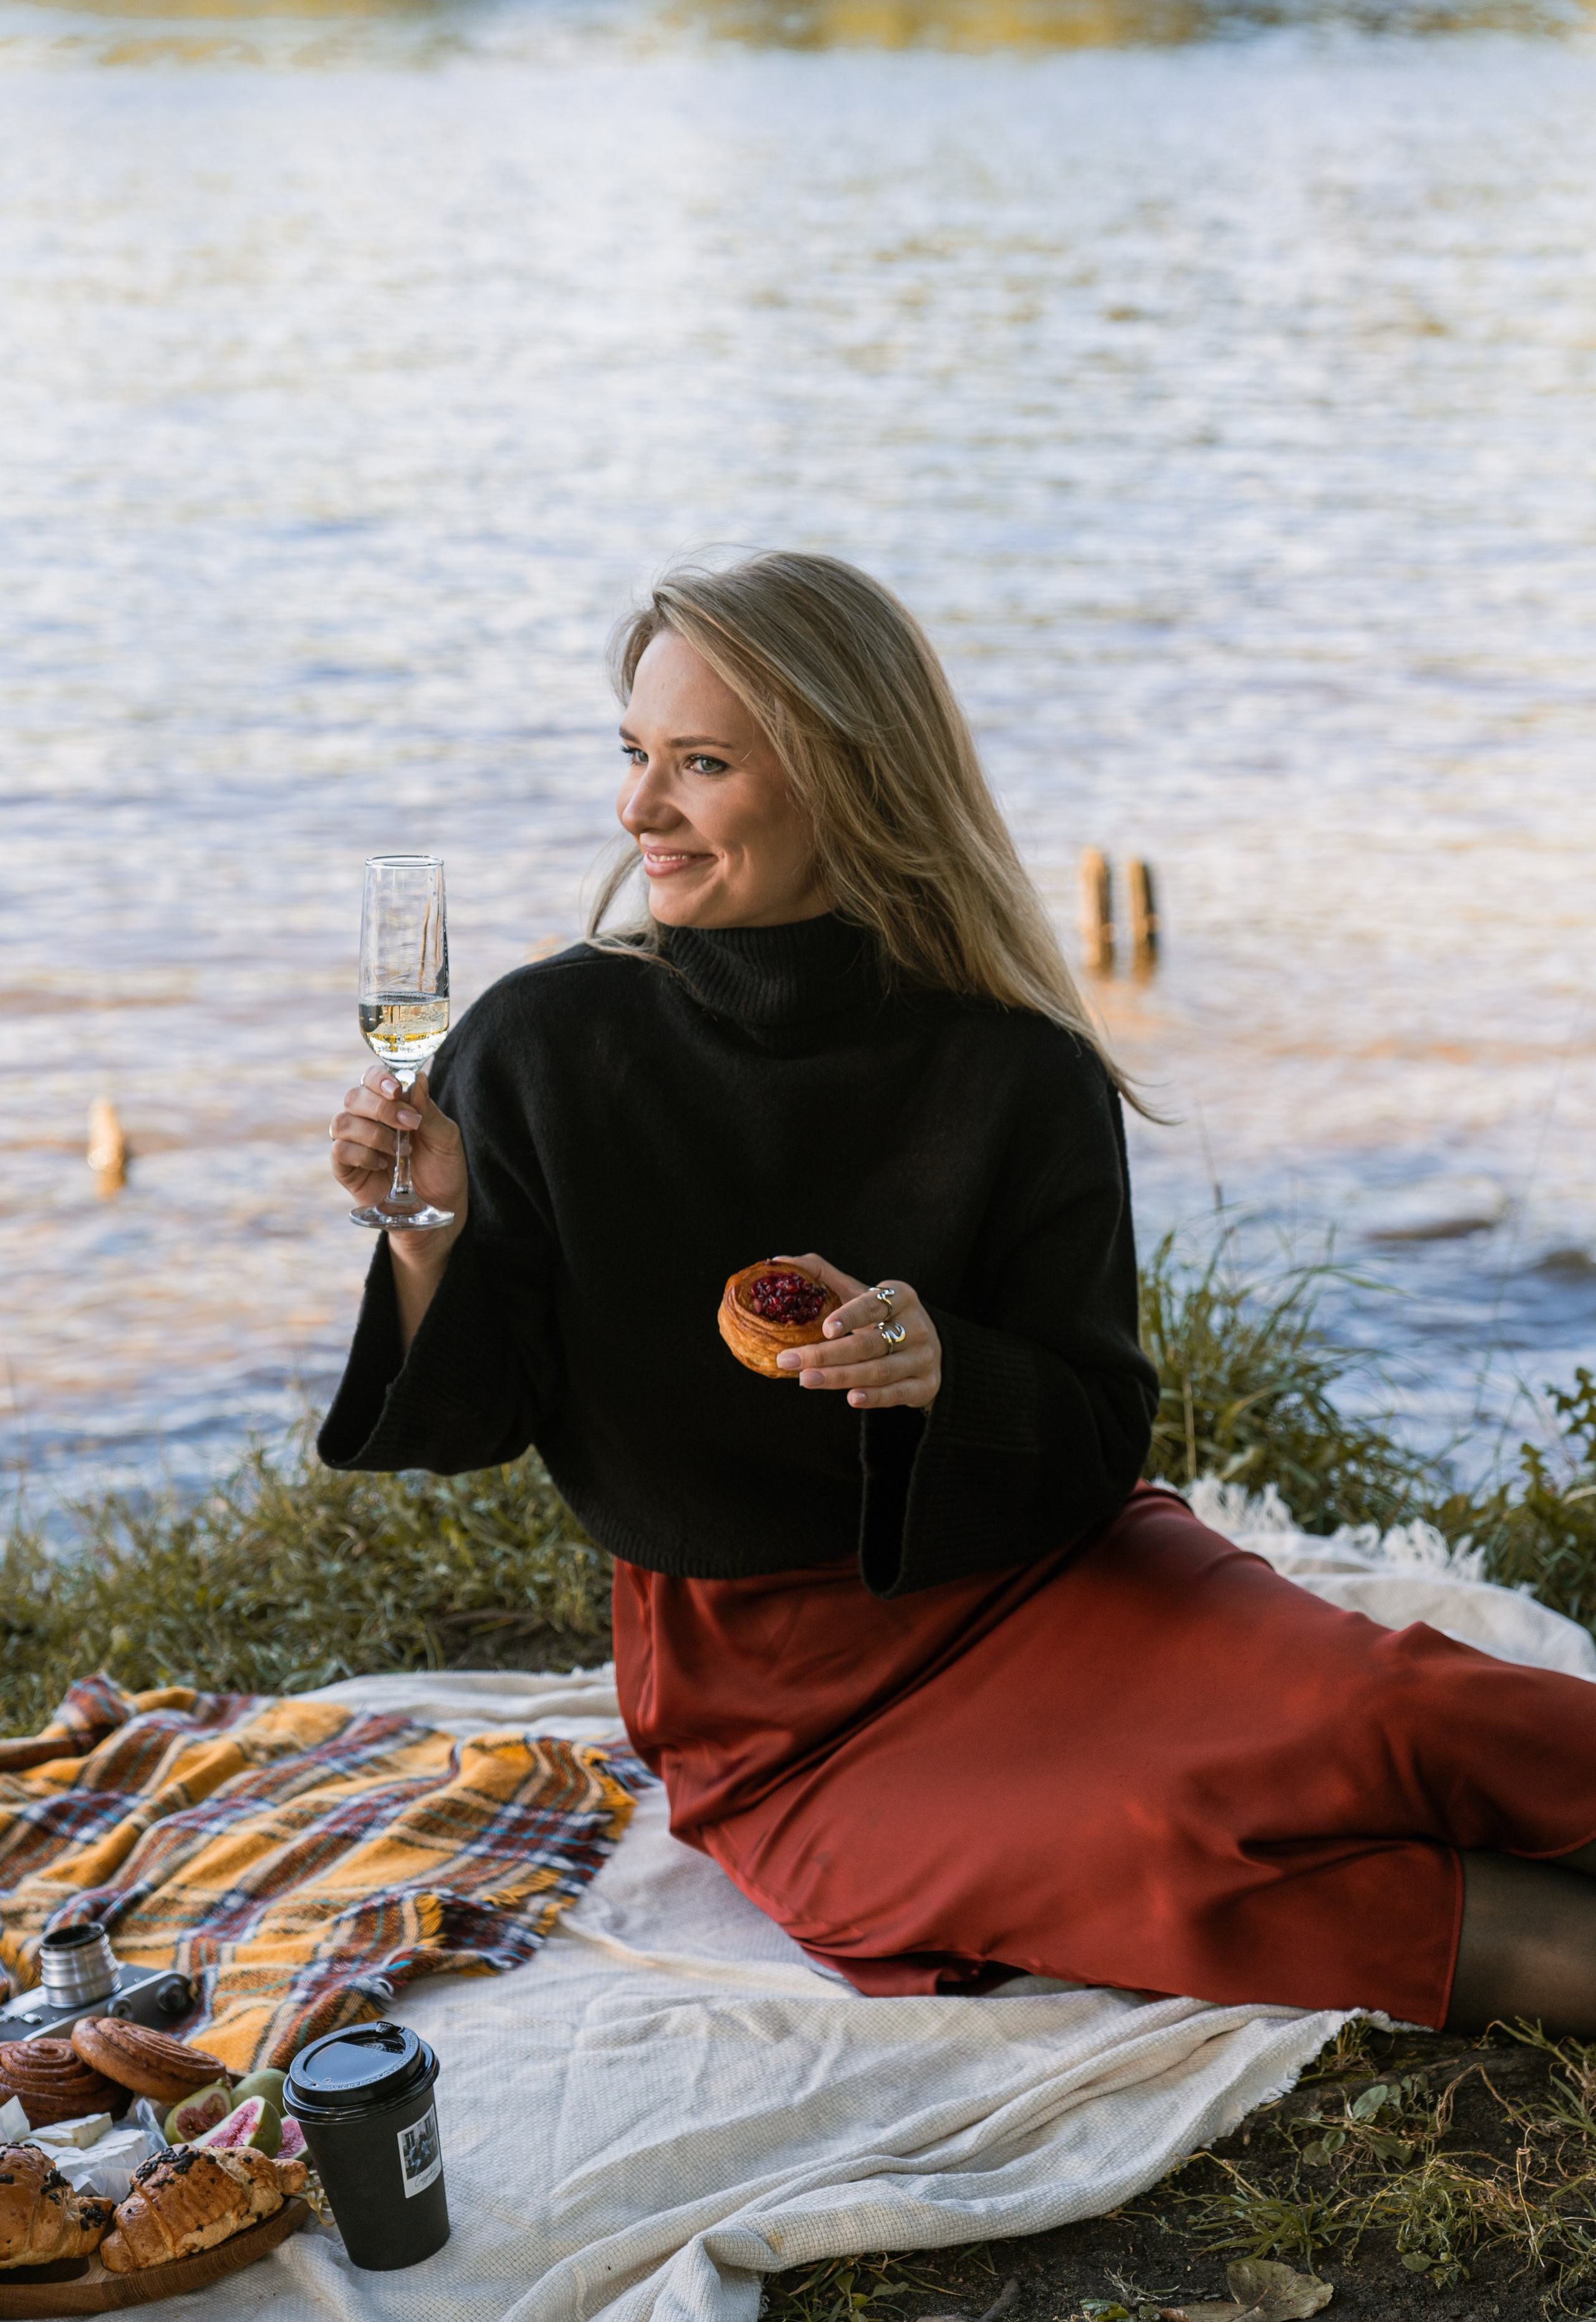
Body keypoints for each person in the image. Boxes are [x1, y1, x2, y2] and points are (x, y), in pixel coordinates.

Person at [324, 549, 1596, 2034]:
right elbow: (468, 1418)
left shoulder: (1016, 1066)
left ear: (847, 782)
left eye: (702, 763)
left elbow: (1099, 1426)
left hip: (1043, 1576)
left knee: (1392, 1713)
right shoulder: (540, 1045)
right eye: (634, 755)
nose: (636, 809)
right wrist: (429, 1233)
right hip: (770, 1710)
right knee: (1188, 1856)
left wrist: (949, 1375)